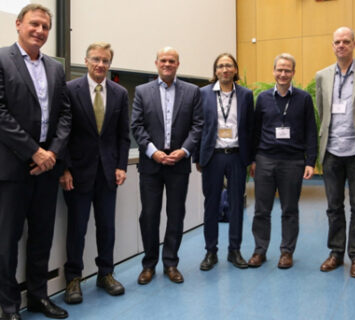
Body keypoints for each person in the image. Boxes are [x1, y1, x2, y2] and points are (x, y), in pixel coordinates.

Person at [0, 4, 71, 320]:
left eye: (45, 26)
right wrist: (33, 151)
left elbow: (65, 114)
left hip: (47, 167)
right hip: (13, 167)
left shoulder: (55, 68)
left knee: (42, 235)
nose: (40, 31)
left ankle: (39, 298)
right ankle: (9, 305)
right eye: (34, 24)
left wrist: (51, 153)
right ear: (18, 24)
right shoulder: (2, 60)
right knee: (7, 240)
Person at [59, 43, 130, 303]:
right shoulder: (69, 90)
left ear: (110, 64)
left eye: (105, 60)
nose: (101, 64)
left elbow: (123, 135)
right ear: (86, 61)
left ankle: (105, 274)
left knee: (107, 227)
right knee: (77, 228)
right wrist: (64, 167)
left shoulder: (120, 93)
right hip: (77, 172)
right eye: (96, 59)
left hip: (108, 173)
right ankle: (73, 279)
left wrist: (121, 166)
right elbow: (62, 132)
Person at [131, 47, 203, 284]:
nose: (167, 64)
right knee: (149, 215)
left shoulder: (192, 92)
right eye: (163, 60)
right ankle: (149, 264)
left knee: (176, 215)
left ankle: (171, 263)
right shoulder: (142, 91)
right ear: (156, 63)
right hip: (152, 165)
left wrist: (184, 151)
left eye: (172, 61)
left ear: (178, 64)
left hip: (179, 164)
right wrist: (153, 152)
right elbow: (137, 126)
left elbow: (197, 126)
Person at [248, 53, 317, 269]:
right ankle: (260, 251)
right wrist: (253, 159)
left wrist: (310, 161)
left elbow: (311, 132)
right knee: (261, 210)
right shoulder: (264, 99)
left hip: (293, 162)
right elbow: (256, 131)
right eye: (279, 69)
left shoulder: (304, 99)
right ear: (273, 71)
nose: (283, 74)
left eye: (287, 70)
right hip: (265, 159)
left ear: (293, 73)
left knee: (289, 210)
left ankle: (287, 252)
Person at [316, 27, 355, 278]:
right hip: (331, 151)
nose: (341, 45)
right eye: (337, 41)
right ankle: (336, 253)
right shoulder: (322, 76)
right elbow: (321, 109)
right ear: (332, 45)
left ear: (354, 44)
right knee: (333, 206)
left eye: (346, 41)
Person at [194, 53, 254, 271]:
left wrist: (251, 159)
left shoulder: (246, 95)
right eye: (220, 66)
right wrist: (197, 157)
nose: (225, 69)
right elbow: (198, 127)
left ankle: (234, 250)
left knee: (237, 204)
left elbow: (250, 128)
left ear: (235, 70)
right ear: (215, 71)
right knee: (211, 205)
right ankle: (211, 252)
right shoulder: (203, 94)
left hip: (238, 156)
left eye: (229, 65)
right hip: (213, 156)